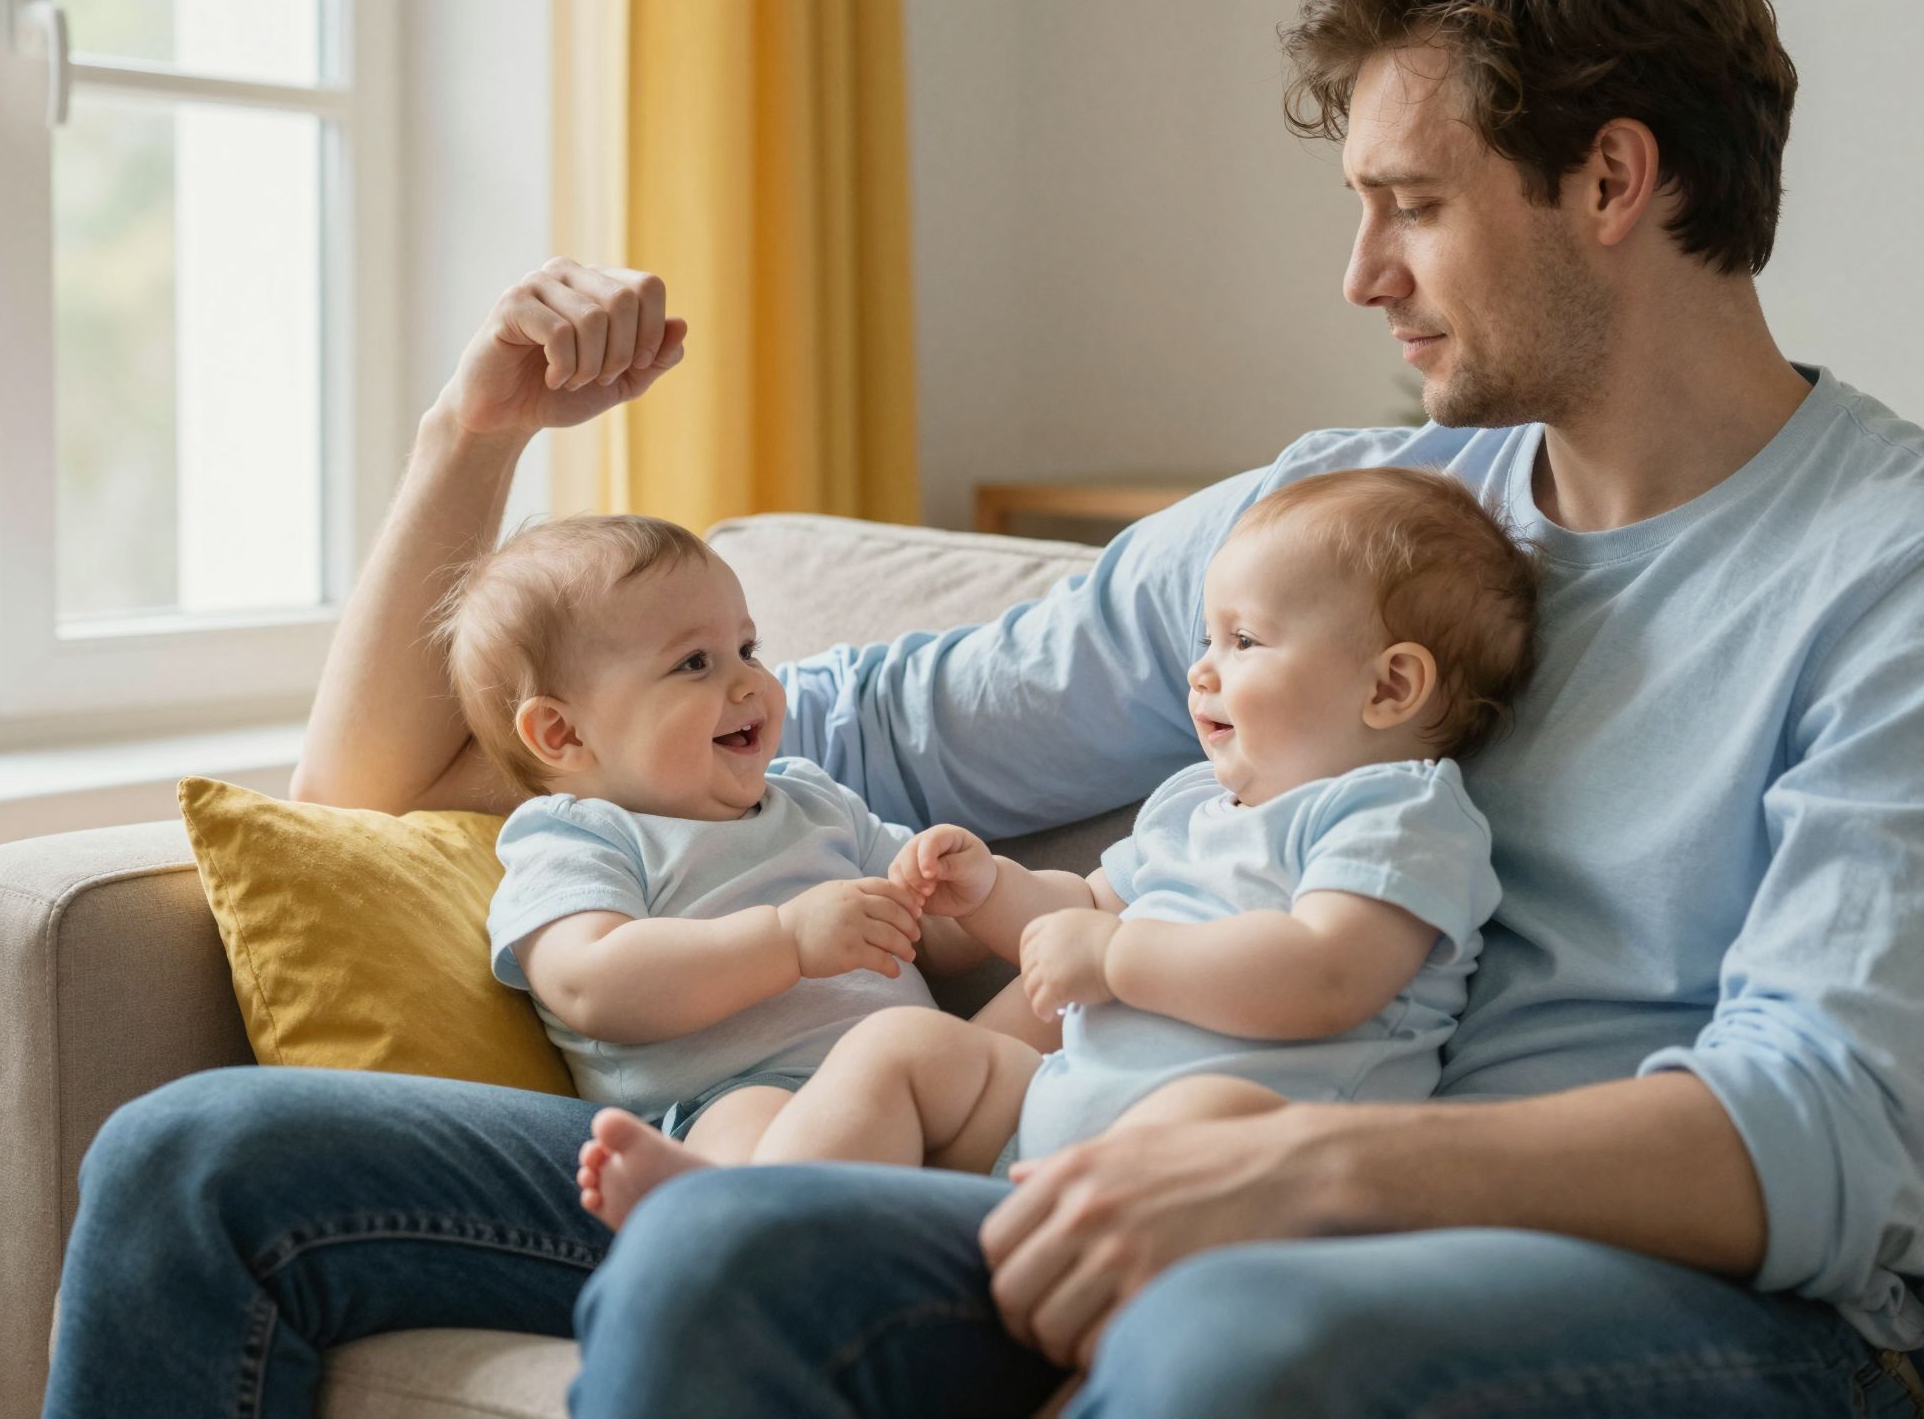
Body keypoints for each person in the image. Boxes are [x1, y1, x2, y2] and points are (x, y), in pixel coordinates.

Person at [41, 0, 1924, 1416]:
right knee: (202, 1163)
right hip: (1136, 1167)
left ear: (1610, 180)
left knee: (1195, 1337)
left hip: (1657, 1300)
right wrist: (477, 437)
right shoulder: (1336, 521)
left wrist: (1295, 1169)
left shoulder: (1881, 572)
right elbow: (403, 788)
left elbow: (1824, 1133)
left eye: (1411, 208)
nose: (1359, 276)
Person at [573, 466, 1537, 1235]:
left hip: (1233, 1153)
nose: (1202, 670)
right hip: (1053, 1115)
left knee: (1205, 1123)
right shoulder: (1197, 805)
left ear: (1389, 688)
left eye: (1244, 641)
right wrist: (991, 888)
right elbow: (1081, 911)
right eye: (1207, 637)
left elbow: (1325, 976)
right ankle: (737, 1211)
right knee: (901, 1047)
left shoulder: (1396, 813)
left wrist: (1116, 960)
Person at [438, 513, 1044, 1179]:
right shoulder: (577, 837)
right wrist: (786, 942)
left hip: (933, 1086)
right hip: (756, 1099)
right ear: (564, 734)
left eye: (747, 649)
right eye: (695, 663)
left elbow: (925, 937)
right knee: (746, 1118)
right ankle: (706, 1197)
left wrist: (964, 893)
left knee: (1071, 986)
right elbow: (591, 983)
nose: (751, 682)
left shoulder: (814, 800)